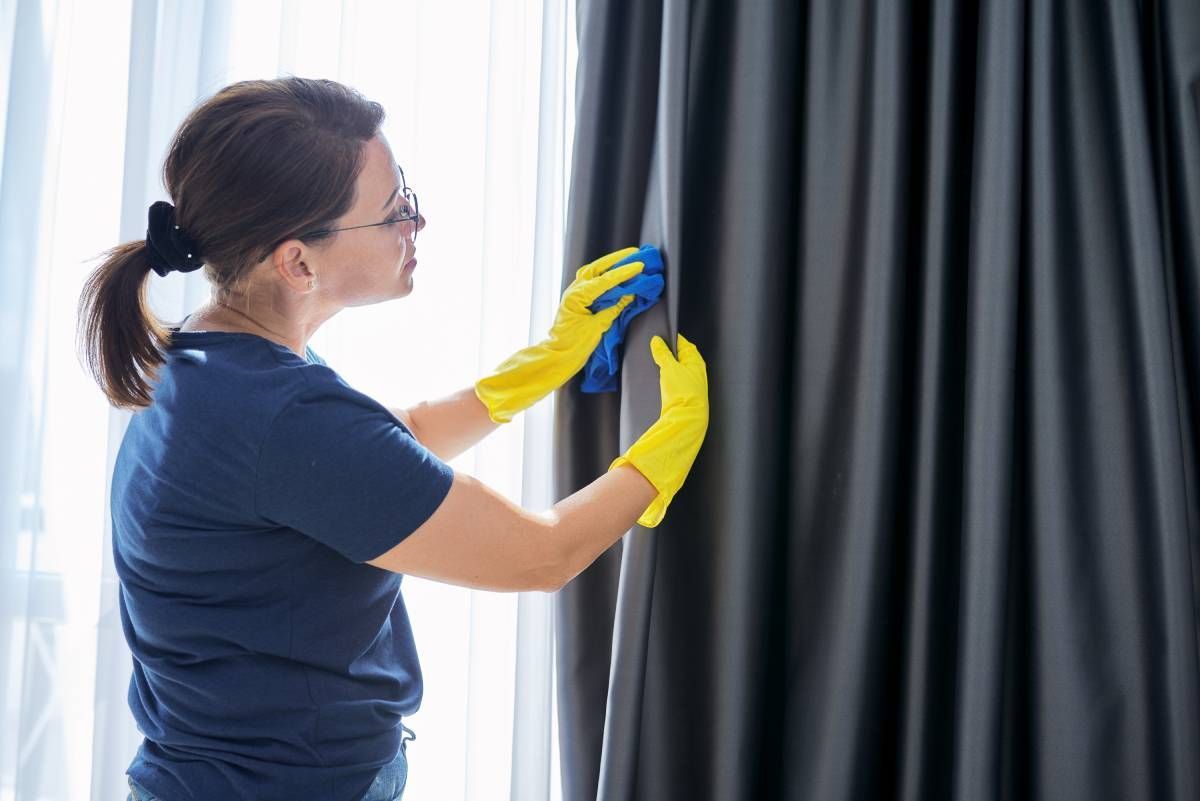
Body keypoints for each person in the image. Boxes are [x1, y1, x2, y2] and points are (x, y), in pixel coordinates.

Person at [76, 76, 708, 801]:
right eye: (393, 212)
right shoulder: (281, 416)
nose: (415, 224)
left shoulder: (211, 359)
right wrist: (668, 448)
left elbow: (379, 452)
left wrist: (543, 365)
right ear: (297, 262)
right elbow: (542, 553)